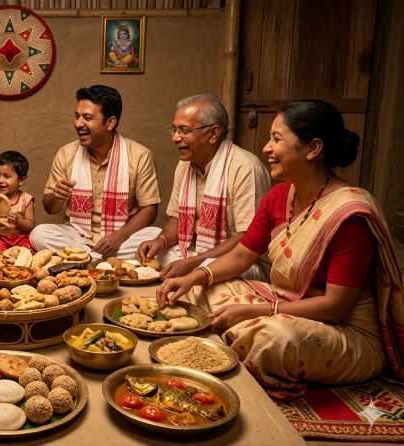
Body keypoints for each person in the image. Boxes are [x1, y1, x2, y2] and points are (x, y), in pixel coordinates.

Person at [156, 99, 404, 400]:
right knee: (201, 292)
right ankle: (237, 336)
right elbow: (240, 256)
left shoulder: (349, 215)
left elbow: (336, 306)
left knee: (273, 338)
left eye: (276, 139)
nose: (266, 148)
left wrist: (256, 310)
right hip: (282, 302)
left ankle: (242, 339)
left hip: (341, 329)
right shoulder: (279, 195)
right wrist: (195, 276)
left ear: (313, 148)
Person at [135, 94, 271, 281]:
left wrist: (194, 263)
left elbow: (247, 238)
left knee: (205, 268)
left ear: (213, 133)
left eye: (184, 130)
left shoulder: (246, 168)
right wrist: (161, 241)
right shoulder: (185, 165)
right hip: (194, 250)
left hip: (240, 259)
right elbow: (177, 218)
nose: (175, 138)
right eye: (174, 130)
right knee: (142, 240)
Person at [31, 85, 161, 260]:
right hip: (76, 235)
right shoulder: (66, 153)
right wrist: (56, 196)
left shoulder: (139, 155)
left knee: (156, 235)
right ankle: (97, 257)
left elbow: (150, 209)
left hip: (122, 237)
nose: (78, 124)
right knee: (39, 234)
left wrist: (119, 237)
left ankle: (84, 258)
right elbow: (50, 208)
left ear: (110, 122)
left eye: (88, 118)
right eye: (77, 117)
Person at [0, 151, 36, 252]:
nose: (0, 180)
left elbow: (30, 226)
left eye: (7, 176)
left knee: (27, 253)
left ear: (21, 180)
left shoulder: (26, 199)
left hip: (20, 238)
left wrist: (18, 221)